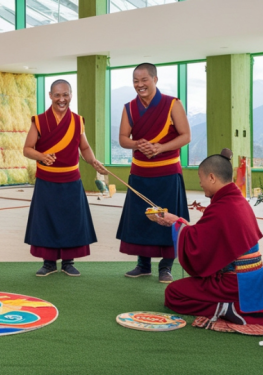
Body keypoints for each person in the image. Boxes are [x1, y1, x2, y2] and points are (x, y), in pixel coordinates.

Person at [161, 150, 263, 326]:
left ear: (212, 177)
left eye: (201, 177)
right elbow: (208, 237)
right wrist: (179, 221)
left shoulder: (223, 207)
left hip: (236, 283)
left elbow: (199, 245)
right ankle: (230, 305)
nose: (200, 183)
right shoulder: (236, 200)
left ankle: (227, 309)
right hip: (257, 281)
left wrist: (177, 224)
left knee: (173, 293)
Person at [23, 80, 107, 277]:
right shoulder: (39, 121)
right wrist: (41, 156)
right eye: (57, 95)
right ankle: (49, 263)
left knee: (71, 221)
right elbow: (27, 149)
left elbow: (84, 147)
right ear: (50, 96)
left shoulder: (77, 121)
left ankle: (69, 262)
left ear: (71, 95)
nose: (62, 99)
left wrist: (93, 161)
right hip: (47, 180)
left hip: (71, 180)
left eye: (66, 95)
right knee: (47, 221)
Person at [117, 63, 191, 283]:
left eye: (144, 80)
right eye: (136, 81)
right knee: (143, 218)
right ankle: (143, 264)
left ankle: (166, 267)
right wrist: (136, 144)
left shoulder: (172, 104)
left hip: (167, 173)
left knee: (166, 218)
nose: (140, 85)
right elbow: (123, 139)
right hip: (140, 173)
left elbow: (185, 136)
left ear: (155, 79)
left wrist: (160, 147)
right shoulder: (129, 107)